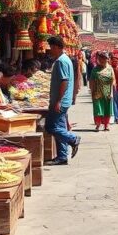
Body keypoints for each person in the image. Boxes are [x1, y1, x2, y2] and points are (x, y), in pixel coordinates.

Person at [45, 37, 81, 165]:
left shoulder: (61, 61)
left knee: (51, 127)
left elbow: (64, 81)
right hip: (62, 100)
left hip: (60, 101)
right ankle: (62, 156)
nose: (50, 50)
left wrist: (58, 100)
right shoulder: (65, 60)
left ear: (58, 47)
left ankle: (73, 138)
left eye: (52, 48)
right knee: (60, 127)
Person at [89, 52, 115, 131]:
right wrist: (92, 92)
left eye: (104, 59)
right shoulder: (95, 69)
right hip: (97, 92)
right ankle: (97, 125)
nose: (102, 60)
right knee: (98, 109)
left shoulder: (110, 69)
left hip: (107, 92)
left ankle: (106, 125)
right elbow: (92, 81)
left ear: (107, 59)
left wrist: (111, 93)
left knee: (107, 109)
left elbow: (113, 81)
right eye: (100, 59)